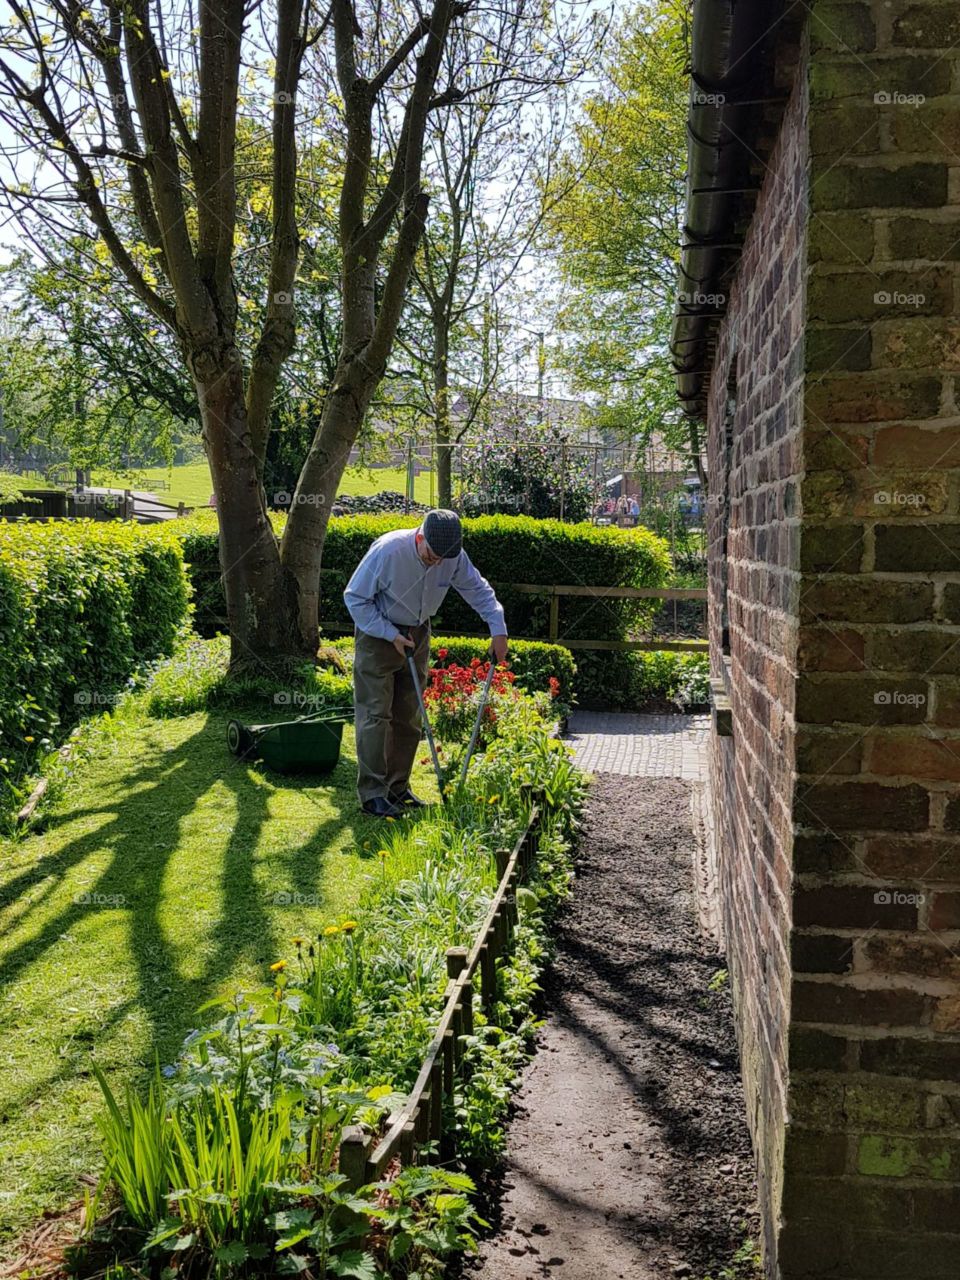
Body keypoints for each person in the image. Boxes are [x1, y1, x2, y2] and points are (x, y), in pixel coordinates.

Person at [343, 509, 508, 818]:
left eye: (443, 559)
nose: (437, 563)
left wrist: (498, 628)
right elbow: (355, 598)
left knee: (409, 716)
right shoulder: (388, 550)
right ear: (420, 538)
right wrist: (389, 633)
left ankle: (398, 788)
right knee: (375, 714)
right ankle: (373, 794)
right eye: (432, 556)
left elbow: (479, 591)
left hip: (418, 632)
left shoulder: (451, 557)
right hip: (378, 632)